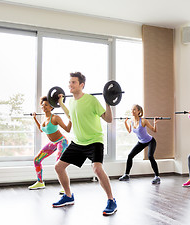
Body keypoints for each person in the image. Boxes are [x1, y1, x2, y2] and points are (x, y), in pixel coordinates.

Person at [52, 72, 117, 216]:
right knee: (59, 167)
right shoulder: (71, 101)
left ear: (82, 85)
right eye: (69, 82)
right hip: (78, 142)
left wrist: (108, 101)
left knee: (97, 170)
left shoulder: (91, 100)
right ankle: (68, 196)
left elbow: (108, 119)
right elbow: (71, 116)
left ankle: (111, 200)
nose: (70, 85)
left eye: (73, 82)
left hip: (94, 140)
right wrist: (61, 103)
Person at [28, 96, 71, 190]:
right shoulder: (44, 119)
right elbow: (41, 129)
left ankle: (65, 188)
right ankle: (40, 182)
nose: (44, 107)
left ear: (51, 107)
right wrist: (35, 118)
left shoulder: (55, 118)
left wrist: (71, 119)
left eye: (46, 105)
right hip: (53, 143)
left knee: (59, 165)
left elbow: (67, 129)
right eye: (43, 105)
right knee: (37, 160)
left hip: (61, 142)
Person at [118, 104, 161, 184]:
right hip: (141, 142)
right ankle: (126, 175)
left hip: (150, 141)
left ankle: (157, 177)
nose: (132, 111)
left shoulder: (144, 121)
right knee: (130, 156)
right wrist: (125, 123)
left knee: (150, 156)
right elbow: (129, 131)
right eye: (131, 109)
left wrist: (155, 123)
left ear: (139, 111)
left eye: (134, 109)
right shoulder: (131, 121)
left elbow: (154, 130)